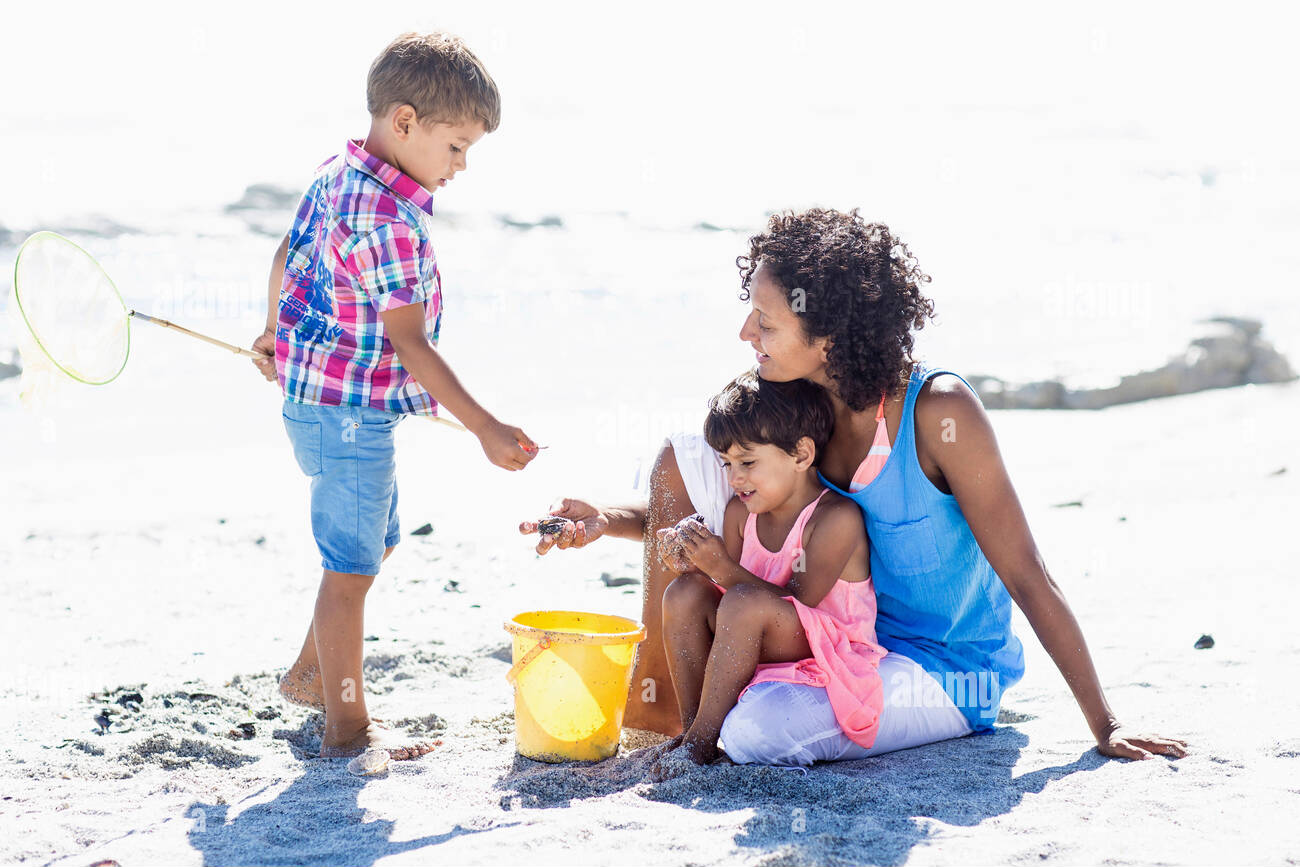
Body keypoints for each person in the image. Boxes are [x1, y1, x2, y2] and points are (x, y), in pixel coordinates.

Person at [521, 209, 1188, 765]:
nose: (746, 333)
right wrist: (604, 517)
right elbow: (736, 495)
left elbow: (1026, 571)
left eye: (767, 322)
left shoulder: (939, 414)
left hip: (930, 667)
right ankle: (663, 707)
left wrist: (1105, 724)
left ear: (829, 339)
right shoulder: (794, 398)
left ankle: (711, 725)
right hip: (819, 627)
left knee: (754, 731)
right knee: (681, 454)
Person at [249, 32, 538, 761]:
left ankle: (313, 676)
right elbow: (411, 343)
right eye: (458, 147)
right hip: (347, 416)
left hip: (330, 403)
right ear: (405, 122)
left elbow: (290, 251)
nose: (462, 166)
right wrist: (484, 427)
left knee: (372, 541)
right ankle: (347, 727)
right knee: (349, 568)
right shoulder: (384, 218)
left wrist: (273, 328)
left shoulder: (341, 170)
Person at [657, 371, 884, 765]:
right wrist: (693, 560)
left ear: (800, 455)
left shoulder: (834, 518)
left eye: (747, 461)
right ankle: (695, 729)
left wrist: (722, 568)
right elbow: (725, 591)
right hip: (760, 628)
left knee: (744, 602)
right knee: (684, 593)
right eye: (726, 463)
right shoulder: (739, 514)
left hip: (828, 641)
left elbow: (800, 599)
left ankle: (702, 741)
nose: (735, 478)